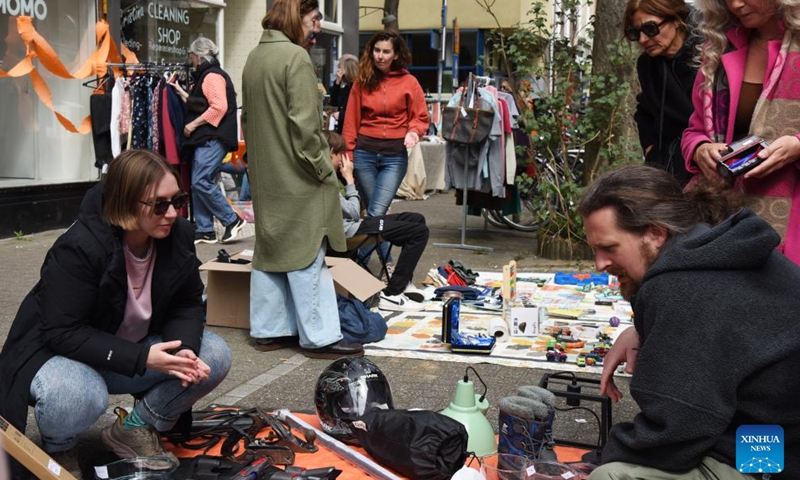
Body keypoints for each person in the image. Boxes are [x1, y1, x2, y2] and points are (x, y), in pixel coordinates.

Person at [0, 149, 232, 479]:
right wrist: (142, 358)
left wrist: (184, 350)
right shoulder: (81, 246)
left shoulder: (177, 234)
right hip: (59, 354)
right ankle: (59, 446)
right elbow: (61, 332)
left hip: (128, 352)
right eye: (159, 204)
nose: (172, 213)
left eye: (177, 200)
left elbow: (187, 302)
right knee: (77, 395)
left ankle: (135, 427)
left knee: (213, 354)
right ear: (126, 202)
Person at [578, 165, 799, 479]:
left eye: (608, 247)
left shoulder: (681, 287)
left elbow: (675, 431)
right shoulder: (711, 246)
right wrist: (640, 330)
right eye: (594, 249)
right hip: (773, 437)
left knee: (609, 476)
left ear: (656, 233)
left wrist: (602, 461)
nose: (600, 263)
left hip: (773, 458)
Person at [241, 0, 363, 358]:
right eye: (313, 19)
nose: (317, 28)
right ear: (297, 18)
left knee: (271, 250)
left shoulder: (253, 57)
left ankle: (268, 330)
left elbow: (247, 120)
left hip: (266, 174)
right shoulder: (295, 58)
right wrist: (325, 170)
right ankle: (320, 336)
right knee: (308, 251)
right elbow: (307, 130)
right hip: (298, 174)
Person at [681, 0, 800, 265]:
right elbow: (694, 129)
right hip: (723, 214)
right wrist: (700, 149)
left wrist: (797, 146)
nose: (735, 4)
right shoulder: (719, 47)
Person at [342, 30, 430, 273]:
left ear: (396, 54)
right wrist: (348, 154)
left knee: (376, 212)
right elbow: (351, 121)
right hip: (364, 154)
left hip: (394, 157)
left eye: (386, 51)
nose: (380, 56)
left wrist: (414, 131)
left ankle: (364, 262)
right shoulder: (362, 80)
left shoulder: (409, 82)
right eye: (376, 50)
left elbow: (421, 117)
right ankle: (383, 264)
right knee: (374, 214)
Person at [324, 131, 429, 311]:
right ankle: (393, 294)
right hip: (351, 231)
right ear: (331, 153)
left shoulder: (331, 176)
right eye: (341, 155)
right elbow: (353, 212)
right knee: (419, 232)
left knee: (416, 219)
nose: (344, 159)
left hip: (355, 225)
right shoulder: (326, 180)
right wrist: (349, 179)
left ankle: (403, 283)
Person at [169, 37, 246, 245]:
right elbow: (205, 104)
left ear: (200, 56)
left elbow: (218, 107)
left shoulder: (211, 76)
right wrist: (184, 94)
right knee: (200, 182)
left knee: (200, 180)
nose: (191, 61)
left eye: (192, 57)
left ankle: (232, 220)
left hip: (212, 137)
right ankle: (205, 230)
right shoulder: (210, 74)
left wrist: (192, 126)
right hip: (210, 137)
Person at [624, 0, 700, 186]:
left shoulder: (709, 52)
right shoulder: (647, 64)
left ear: (676, 20)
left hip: (706, 164)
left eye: (650, 28)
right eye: (635, 33)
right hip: (667, 168)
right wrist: (651, 149)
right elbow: (645, 109)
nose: (643, 39)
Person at [329, 53, 358, 134]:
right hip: (341, 127)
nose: (338, 70)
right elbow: (333, 102)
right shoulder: (343, 85)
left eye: (339, 67)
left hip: (351, 129)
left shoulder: (356, 87)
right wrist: (337, 83)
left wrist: (341, 115)